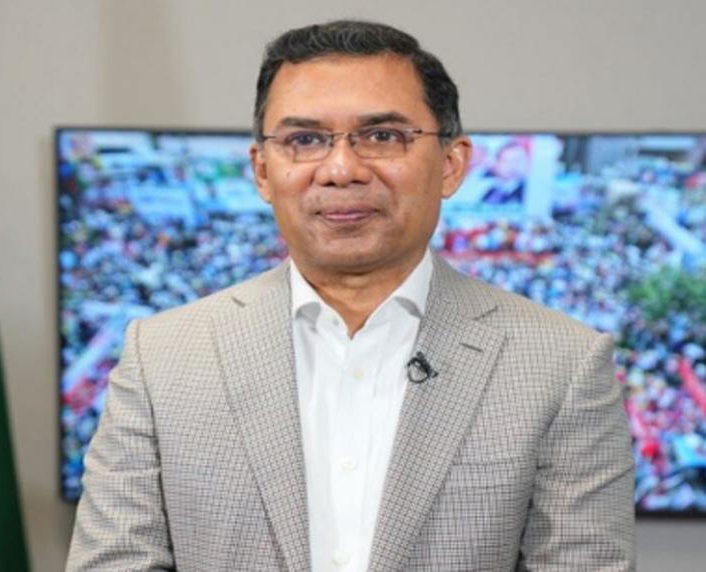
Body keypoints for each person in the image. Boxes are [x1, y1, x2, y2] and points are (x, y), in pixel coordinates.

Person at [67, 20, 635, 571]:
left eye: (382, 136)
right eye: (305, 140)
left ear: (452, 164)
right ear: (262, 171)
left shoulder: (563, 364)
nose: (341, 169)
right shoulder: (161, 357)